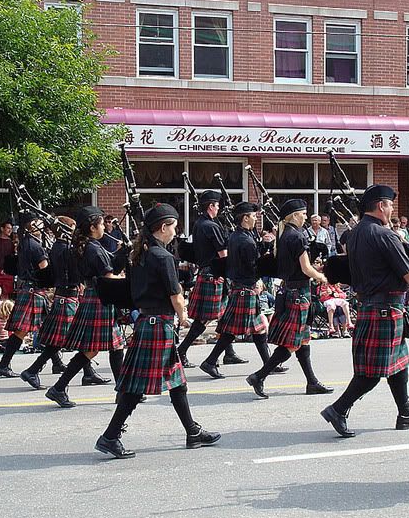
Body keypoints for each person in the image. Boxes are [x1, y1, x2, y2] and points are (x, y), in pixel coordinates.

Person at [95, 203, 220, 459]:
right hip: (157, 324)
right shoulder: (162, 257)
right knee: (135, 388)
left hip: (149, 322)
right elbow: (175, 294)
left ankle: (192, 431)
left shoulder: (141, 254)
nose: (176, 232)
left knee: (177, 382)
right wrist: (184, 315)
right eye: (174, 227)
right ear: (163, 227)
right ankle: (110, 436)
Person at [320, 184, 409, 437]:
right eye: (390, 205)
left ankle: (405, 414)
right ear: (381, 206)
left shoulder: (355, 233)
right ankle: (338, 409)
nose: (392, 209)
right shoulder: (384, 235)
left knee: (399, 365)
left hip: (372, 306)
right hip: (385, 309)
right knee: (371, 372)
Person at [245, 199, 333, 399]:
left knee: (303, 341)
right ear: (294, 216)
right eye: (303, 214)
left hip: (291, 291)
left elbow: (296, 267)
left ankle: (312, 382)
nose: (305, 217)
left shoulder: (284, 235)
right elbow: (305, 268)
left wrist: (313, 270)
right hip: (299, 294)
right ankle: (259, 376)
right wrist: (321, 276)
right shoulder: (298, 236)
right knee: (290, 345)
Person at [46, 206, 126, 408]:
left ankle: (122, 391)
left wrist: (124, 253)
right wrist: (125, 280)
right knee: (99, 349)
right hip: (100, 298)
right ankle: (59, 387)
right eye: (101, 224)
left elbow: (110, 266)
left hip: (95, 297)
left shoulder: (89, 246)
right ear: (92, 227)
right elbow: (108, 276)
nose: (104, 227)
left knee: (110, 348)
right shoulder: (93, 248)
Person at [198, 202, 286, 379]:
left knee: (259, 329)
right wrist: (261, 274)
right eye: (253, 216)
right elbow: (253, 265)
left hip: (242, 287)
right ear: (245, 218)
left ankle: (269, 364)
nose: (256, 218)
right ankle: (209, 362)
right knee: (231, 331)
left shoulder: (238, 236)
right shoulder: (245, 240)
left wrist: (265, 244)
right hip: (246, 288)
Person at [19, 216, 109, 390]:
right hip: (68, 295)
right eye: (72, 227)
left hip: (65, 295)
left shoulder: (58, 247)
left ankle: (88, 373)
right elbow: (75, 273)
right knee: (62, 341)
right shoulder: (66, 249)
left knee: (74, 339)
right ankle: (32, 370)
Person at [176, 190, 246, 368]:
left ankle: (228, 353)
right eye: (217, 206)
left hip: (208, 273)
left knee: (224, 316)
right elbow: (223, 254)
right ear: (211, 206)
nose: (219, 209)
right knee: (203, 320)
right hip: (214, 275)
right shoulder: (211, 226)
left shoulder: (199, 224)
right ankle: (181, 351)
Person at [0, 214, 56, 378]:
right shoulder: (35, 245)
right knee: (22, 331)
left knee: (47, 327)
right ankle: (3, 365)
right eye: (37, 222)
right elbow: (45, 269)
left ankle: (57, 363)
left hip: (29, 290)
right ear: (31, 226)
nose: (41, 224)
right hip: (33, 291)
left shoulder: (24, 243)